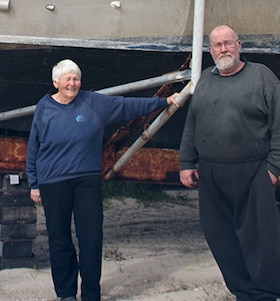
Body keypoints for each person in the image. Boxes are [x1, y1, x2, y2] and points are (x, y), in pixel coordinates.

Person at [26, 59, 178, 301]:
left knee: (91, 237)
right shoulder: (44, 107)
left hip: (86, 180)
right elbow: (34, 146)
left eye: (76, 78)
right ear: (56, 82)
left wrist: (164, 101)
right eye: (67, 79)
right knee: (59, 238)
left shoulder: (94, 102)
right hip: (53, 181)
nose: (72, 83)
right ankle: (66, 293)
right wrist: (34, 182)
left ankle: (91, 294)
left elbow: (128, 106)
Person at [178, 25, 280, 301]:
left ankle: (264, 292)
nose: (223, 49)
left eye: (228, 43)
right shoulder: (205, 80)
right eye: (217, 45)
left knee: (259, 236)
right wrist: (187, 161)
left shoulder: (261, 77)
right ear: (210, 50)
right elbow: (192, 123)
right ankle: (243, 291)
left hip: (254, 170)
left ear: (239, 45)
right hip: (211, 172)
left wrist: (274, 167)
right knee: (219, 235)